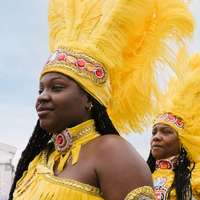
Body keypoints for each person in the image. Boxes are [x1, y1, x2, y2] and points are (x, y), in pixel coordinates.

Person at [10, 0, 194, 199]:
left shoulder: (113, 153)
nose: (43, 97)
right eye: (40, 90)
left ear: (89, 98)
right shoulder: (39, 158)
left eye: (57, 88)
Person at [147, 50, 200, 200]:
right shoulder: (137, 176)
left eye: (166, 132)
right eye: (154, 132)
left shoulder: (196, 178)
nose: (157, 137)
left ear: (182, 141)